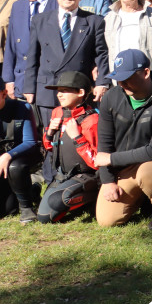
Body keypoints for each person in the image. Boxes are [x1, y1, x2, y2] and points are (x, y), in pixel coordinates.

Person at [94, 49, 152, 230]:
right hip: (123, 168)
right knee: (106, 220)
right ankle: (143, 198)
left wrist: (110, 159)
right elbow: (104, 143)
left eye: (128, 78)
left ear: (146, 73)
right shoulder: (111, 96)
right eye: (118, 79)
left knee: (149, 173)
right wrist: (108, 181)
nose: (122, 84)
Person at [24, 0, 110, 110]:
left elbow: (102, 55)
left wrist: (102, 83)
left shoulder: (94, 22)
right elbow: (32, 57)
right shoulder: (39, 20)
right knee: (49, 131)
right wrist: (29, 87)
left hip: (79, 92)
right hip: (48, 91)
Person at [35, 71, 100, 223]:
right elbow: (49, 147)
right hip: (62, 174)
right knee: (44, 216)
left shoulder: (92, 120)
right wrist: (50, 132)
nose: (59, 95)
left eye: (65, 91)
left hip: (86, 175)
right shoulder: (57, 112)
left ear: (81, 93)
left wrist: (77, 137)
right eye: (58, 92)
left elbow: (97, 162)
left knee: (58, 202)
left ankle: (94, 195)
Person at [4, 0, 54, 99]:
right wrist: (9, 80)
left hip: (49, 86)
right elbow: (11, 46)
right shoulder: (18, 6)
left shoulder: (58, 5)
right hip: (21, 82)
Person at [0, 84, 41, 222]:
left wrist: (8, 155)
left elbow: (30, 142)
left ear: (4, 94)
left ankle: (26, 208)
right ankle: (32, 192)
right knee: (8, 211)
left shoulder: (22, 108)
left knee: (14, 166)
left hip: (20, 157)